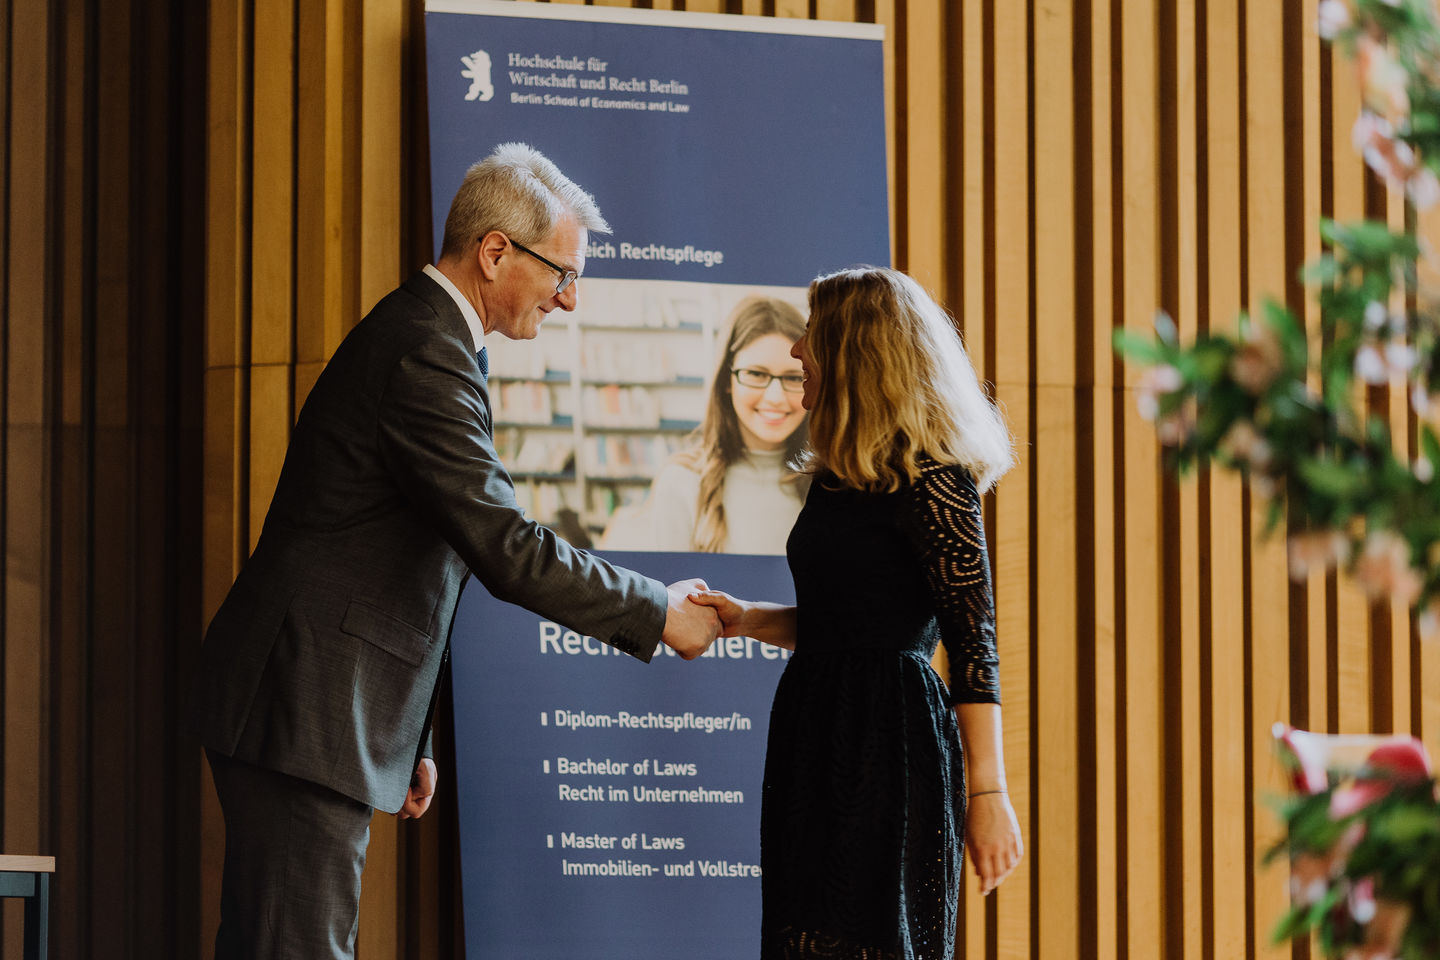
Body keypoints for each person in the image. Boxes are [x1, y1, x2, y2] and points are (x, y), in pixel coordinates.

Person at [188, 142, 719, 960]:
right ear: (496, 251)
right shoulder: (425, 350)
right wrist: (658, 614)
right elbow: (503, 546)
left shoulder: (431, 336)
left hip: (318, 709)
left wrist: (409, 740)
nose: (569, 300)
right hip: (303, 707)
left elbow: (408, 552)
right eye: (563, 274)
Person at [689, 266, 1023, 960]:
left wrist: (987, 792)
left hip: (889, 740)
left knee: (868, 938)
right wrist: (748, 617)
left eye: (813, 334)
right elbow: (850, 621)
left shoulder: (937, 482)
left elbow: (973, 646)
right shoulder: (836, 479)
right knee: (801, 936)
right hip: (813, 729)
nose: (799, 351)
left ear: (853, 351)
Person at [634, 295, 810, 553]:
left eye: (795, 377)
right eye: (757, 374)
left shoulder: (832, 482)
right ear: (726, 380)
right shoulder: (681, 481)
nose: (775, 398)